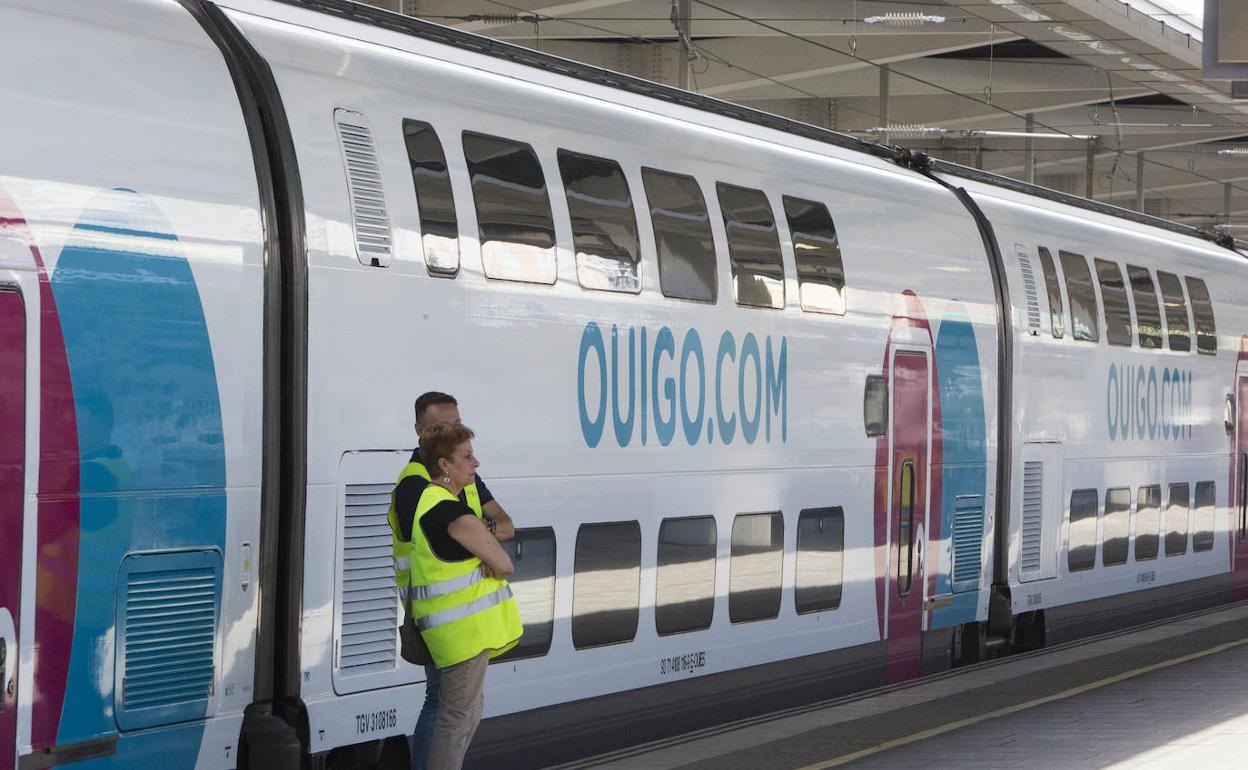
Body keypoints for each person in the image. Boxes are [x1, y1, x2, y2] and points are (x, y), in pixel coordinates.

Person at [386, 392, 514, 768]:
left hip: (459, 611)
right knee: (451, 710)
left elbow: (506, 524)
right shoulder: (416, 487)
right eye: (443, 427)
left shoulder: (460, 476)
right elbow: (449, 541)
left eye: (456, 424)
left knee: (449, 704)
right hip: (443, 615)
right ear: (419, 432)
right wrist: (485, 548)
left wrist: (482, 536)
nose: (453, 432)